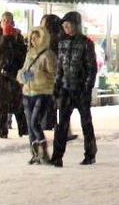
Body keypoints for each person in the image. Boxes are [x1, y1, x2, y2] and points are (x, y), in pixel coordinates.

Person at [50, 12, 98, 166]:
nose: (66, 28)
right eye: (64, 25)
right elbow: (60, 68)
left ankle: (90, 154)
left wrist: (87, 87)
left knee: (86, 123)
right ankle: (57, 156)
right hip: (65, 89)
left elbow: (92, 68)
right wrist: (57, 86)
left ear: (76, 25)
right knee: (61, 124)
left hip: (80, 89)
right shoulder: (62, 43)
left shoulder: (86, 43)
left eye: (68, 25)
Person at [20, 16, 58, 165]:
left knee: (35, 122)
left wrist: (37, 75)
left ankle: (43, 150)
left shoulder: (48, 55)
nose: (33, 41)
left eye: (36, 38)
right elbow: (23, 70)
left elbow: (53, 73)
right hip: (28, 92)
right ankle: (35, 153)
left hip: (42, 92)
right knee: (30, 125)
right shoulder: (29, 54)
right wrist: (23, 76)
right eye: (32, 38)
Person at [0, 14, 28, 138]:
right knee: (1, 103)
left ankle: (21, 129)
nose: (6, 22)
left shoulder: (18, 38)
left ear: (13, 22)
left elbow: (22, 55)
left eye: (9, 21)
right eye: (4, 20)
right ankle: (3, 128)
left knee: (16, 103)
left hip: (12, 76)